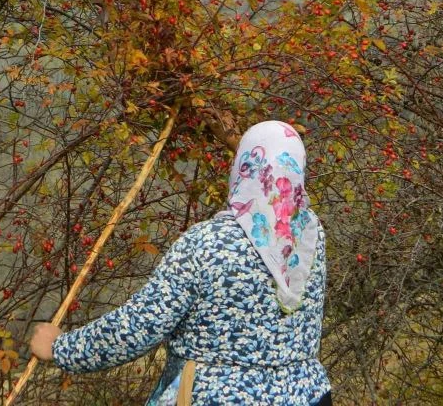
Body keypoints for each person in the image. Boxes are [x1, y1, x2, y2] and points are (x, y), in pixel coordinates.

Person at [30, 120, 332, 405]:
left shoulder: (207, 243)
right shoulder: (310, 237)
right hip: (308, 395)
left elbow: (139, 325)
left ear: (245, 166)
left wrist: (62, 348)